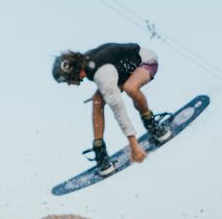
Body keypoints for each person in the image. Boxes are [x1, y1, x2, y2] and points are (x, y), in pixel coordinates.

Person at [51, 42, 172, 176]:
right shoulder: (87, 63)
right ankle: (100, 151)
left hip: (145, 61)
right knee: (97, 101)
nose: (68, 84)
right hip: (123, 72)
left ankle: (152, 125)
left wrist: (134, 144)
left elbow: (118, 108)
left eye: (66, 80)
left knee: (130, 87)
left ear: (71, 71)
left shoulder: (100, 72)